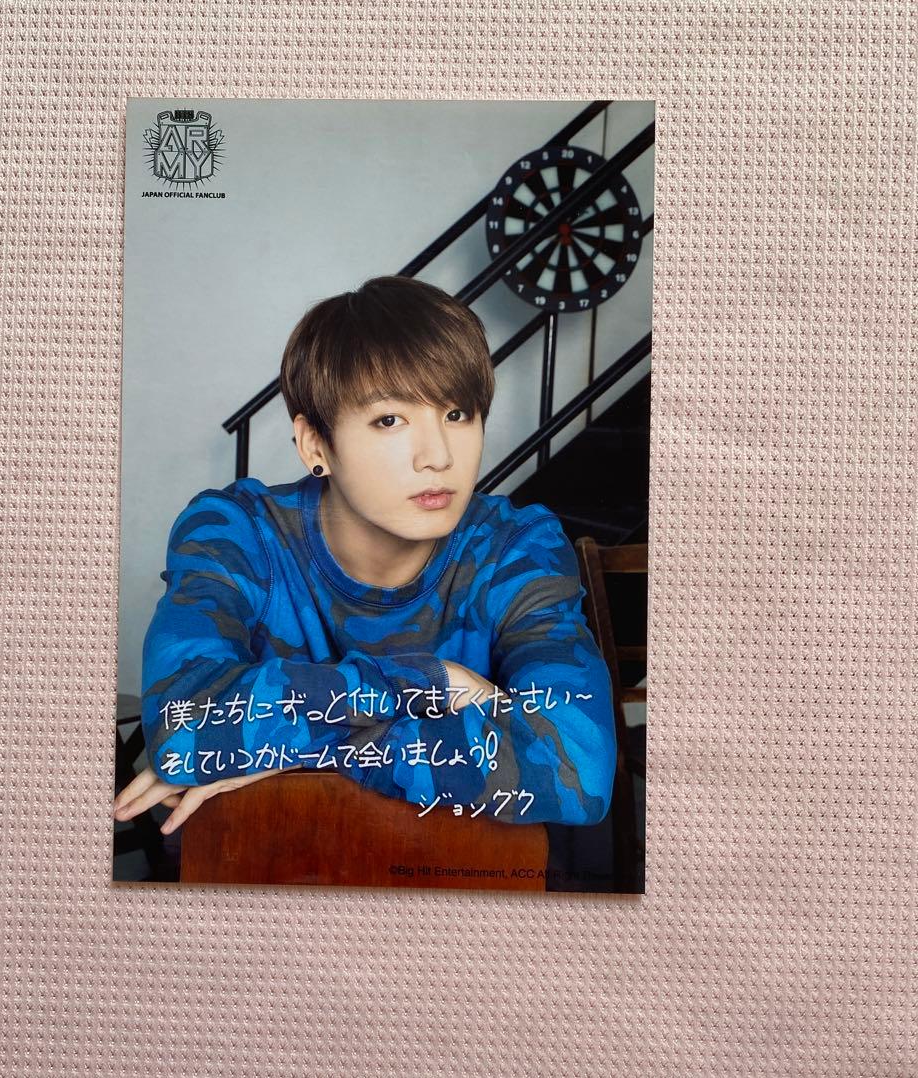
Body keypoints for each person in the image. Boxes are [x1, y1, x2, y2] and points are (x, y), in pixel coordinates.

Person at [114, 275, 616, 836]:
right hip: (265, 863)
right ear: (315, 444)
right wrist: (432, 682)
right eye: (389, 420)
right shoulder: (236, 533)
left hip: (464, 874)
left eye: (457, 414)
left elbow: (577, 770)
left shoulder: (517, 548)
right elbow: (184, 731)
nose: (438, 456)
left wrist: (276, 746)